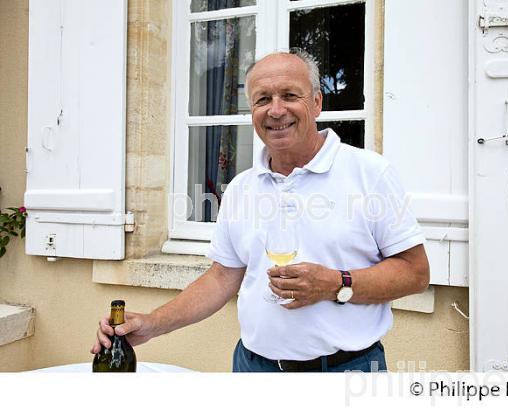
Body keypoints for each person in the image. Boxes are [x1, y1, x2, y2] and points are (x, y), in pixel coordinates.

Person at [91, 49, 430, 372]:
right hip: (252, 368)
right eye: (263, 99)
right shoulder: (241, 187)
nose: (276, 110)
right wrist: (152, 324)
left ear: (316, 102)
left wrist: (334, 284)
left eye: (290, 95)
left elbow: (416, 274)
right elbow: (222, 278)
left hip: (345, 372)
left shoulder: (370, 173)